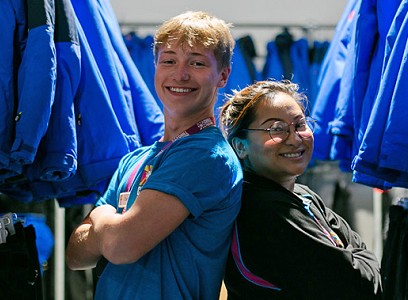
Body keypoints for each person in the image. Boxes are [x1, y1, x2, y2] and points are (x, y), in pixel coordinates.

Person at [65, 11, 243, 299]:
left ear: (223, 75)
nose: (180, 74)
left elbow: (122, 247)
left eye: (197, 62)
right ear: (156, 67)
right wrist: (111, 229)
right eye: (169, 60)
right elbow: (75, 257)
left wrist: (100, 215)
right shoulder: (133, 160)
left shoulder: (206, 155)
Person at [219, 79, 382, 299]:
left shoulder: (302, 194)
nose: (295, 139)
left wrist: (361, 260)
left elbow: (359, 263)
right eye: (276, 129)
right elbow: (358, 285)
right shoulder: (262, 208)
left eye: (300, 125)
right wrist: (360, 258)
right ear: (240, 146)